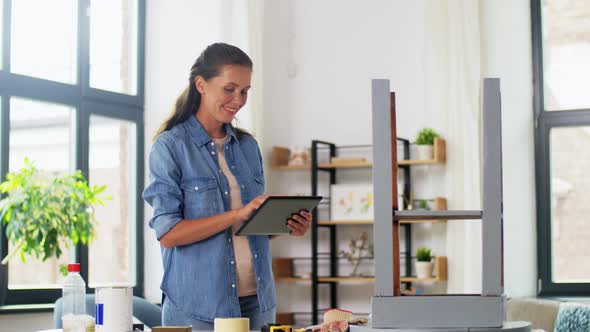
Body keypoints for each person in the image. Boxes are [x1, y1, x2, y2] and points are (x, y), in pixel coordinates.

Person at [143, 42, 312, 330]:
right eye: (229, 89)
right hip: (198, 307)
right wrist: (238, 214)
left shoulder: (247, 146)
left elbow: (248, 227)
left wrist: (283, 224)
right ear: (201, 84)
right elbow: (168, 234)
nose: (238, 99)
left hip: (257, 301)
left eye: (245, 91)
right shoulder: (171, 147)